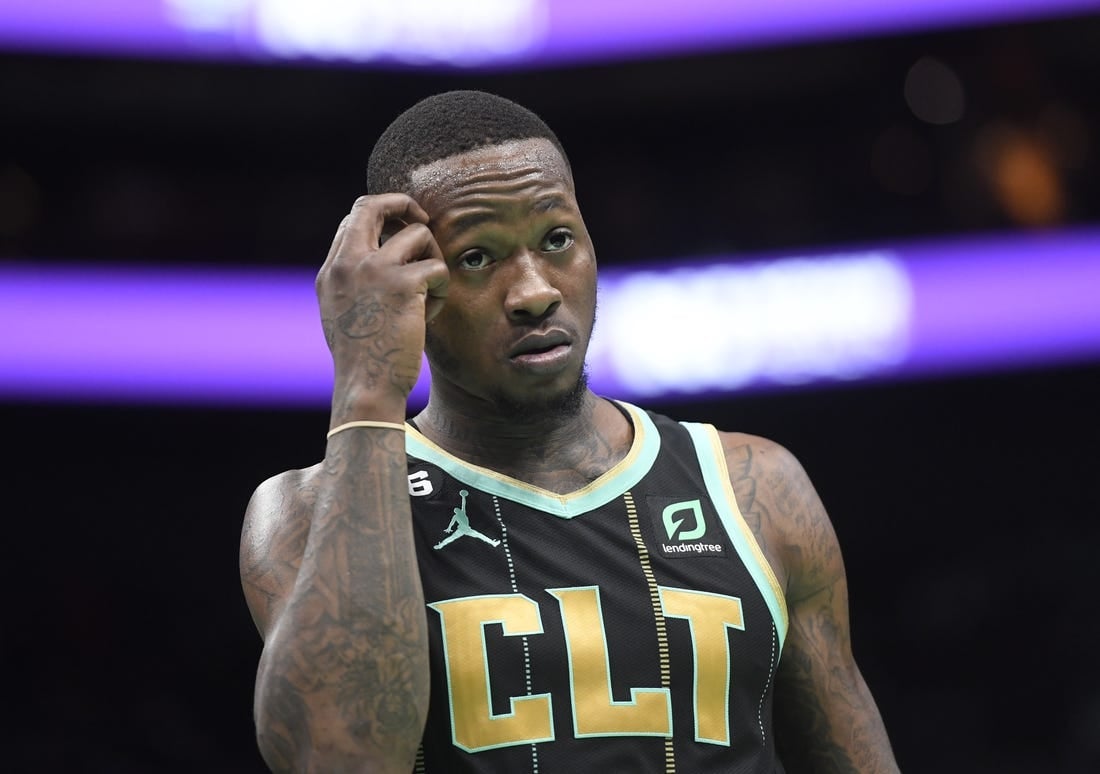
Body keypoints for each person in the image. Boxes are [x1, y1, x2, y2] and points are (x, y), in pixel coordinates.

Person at [239, 89, 901, 773]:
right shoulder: (303, 513)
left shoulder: (753, 487)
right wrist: (367, 386)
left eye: (558, 240)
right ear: (408, 281)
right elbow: (341, 759)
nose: (534, 291)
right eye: (477, 258)